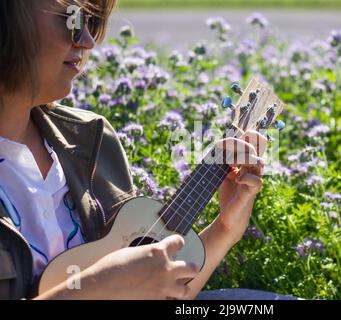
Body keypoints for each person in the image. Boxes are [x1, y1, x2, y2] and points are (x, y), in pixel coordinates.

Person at [0, 0, 277, 300]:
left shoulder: (90, 138)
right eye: (73, 19)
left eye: (91, 22)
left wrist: (224, 229)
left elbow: (152, 291)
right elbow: (117, 285)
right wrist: (99, 286)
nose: (88, 40)